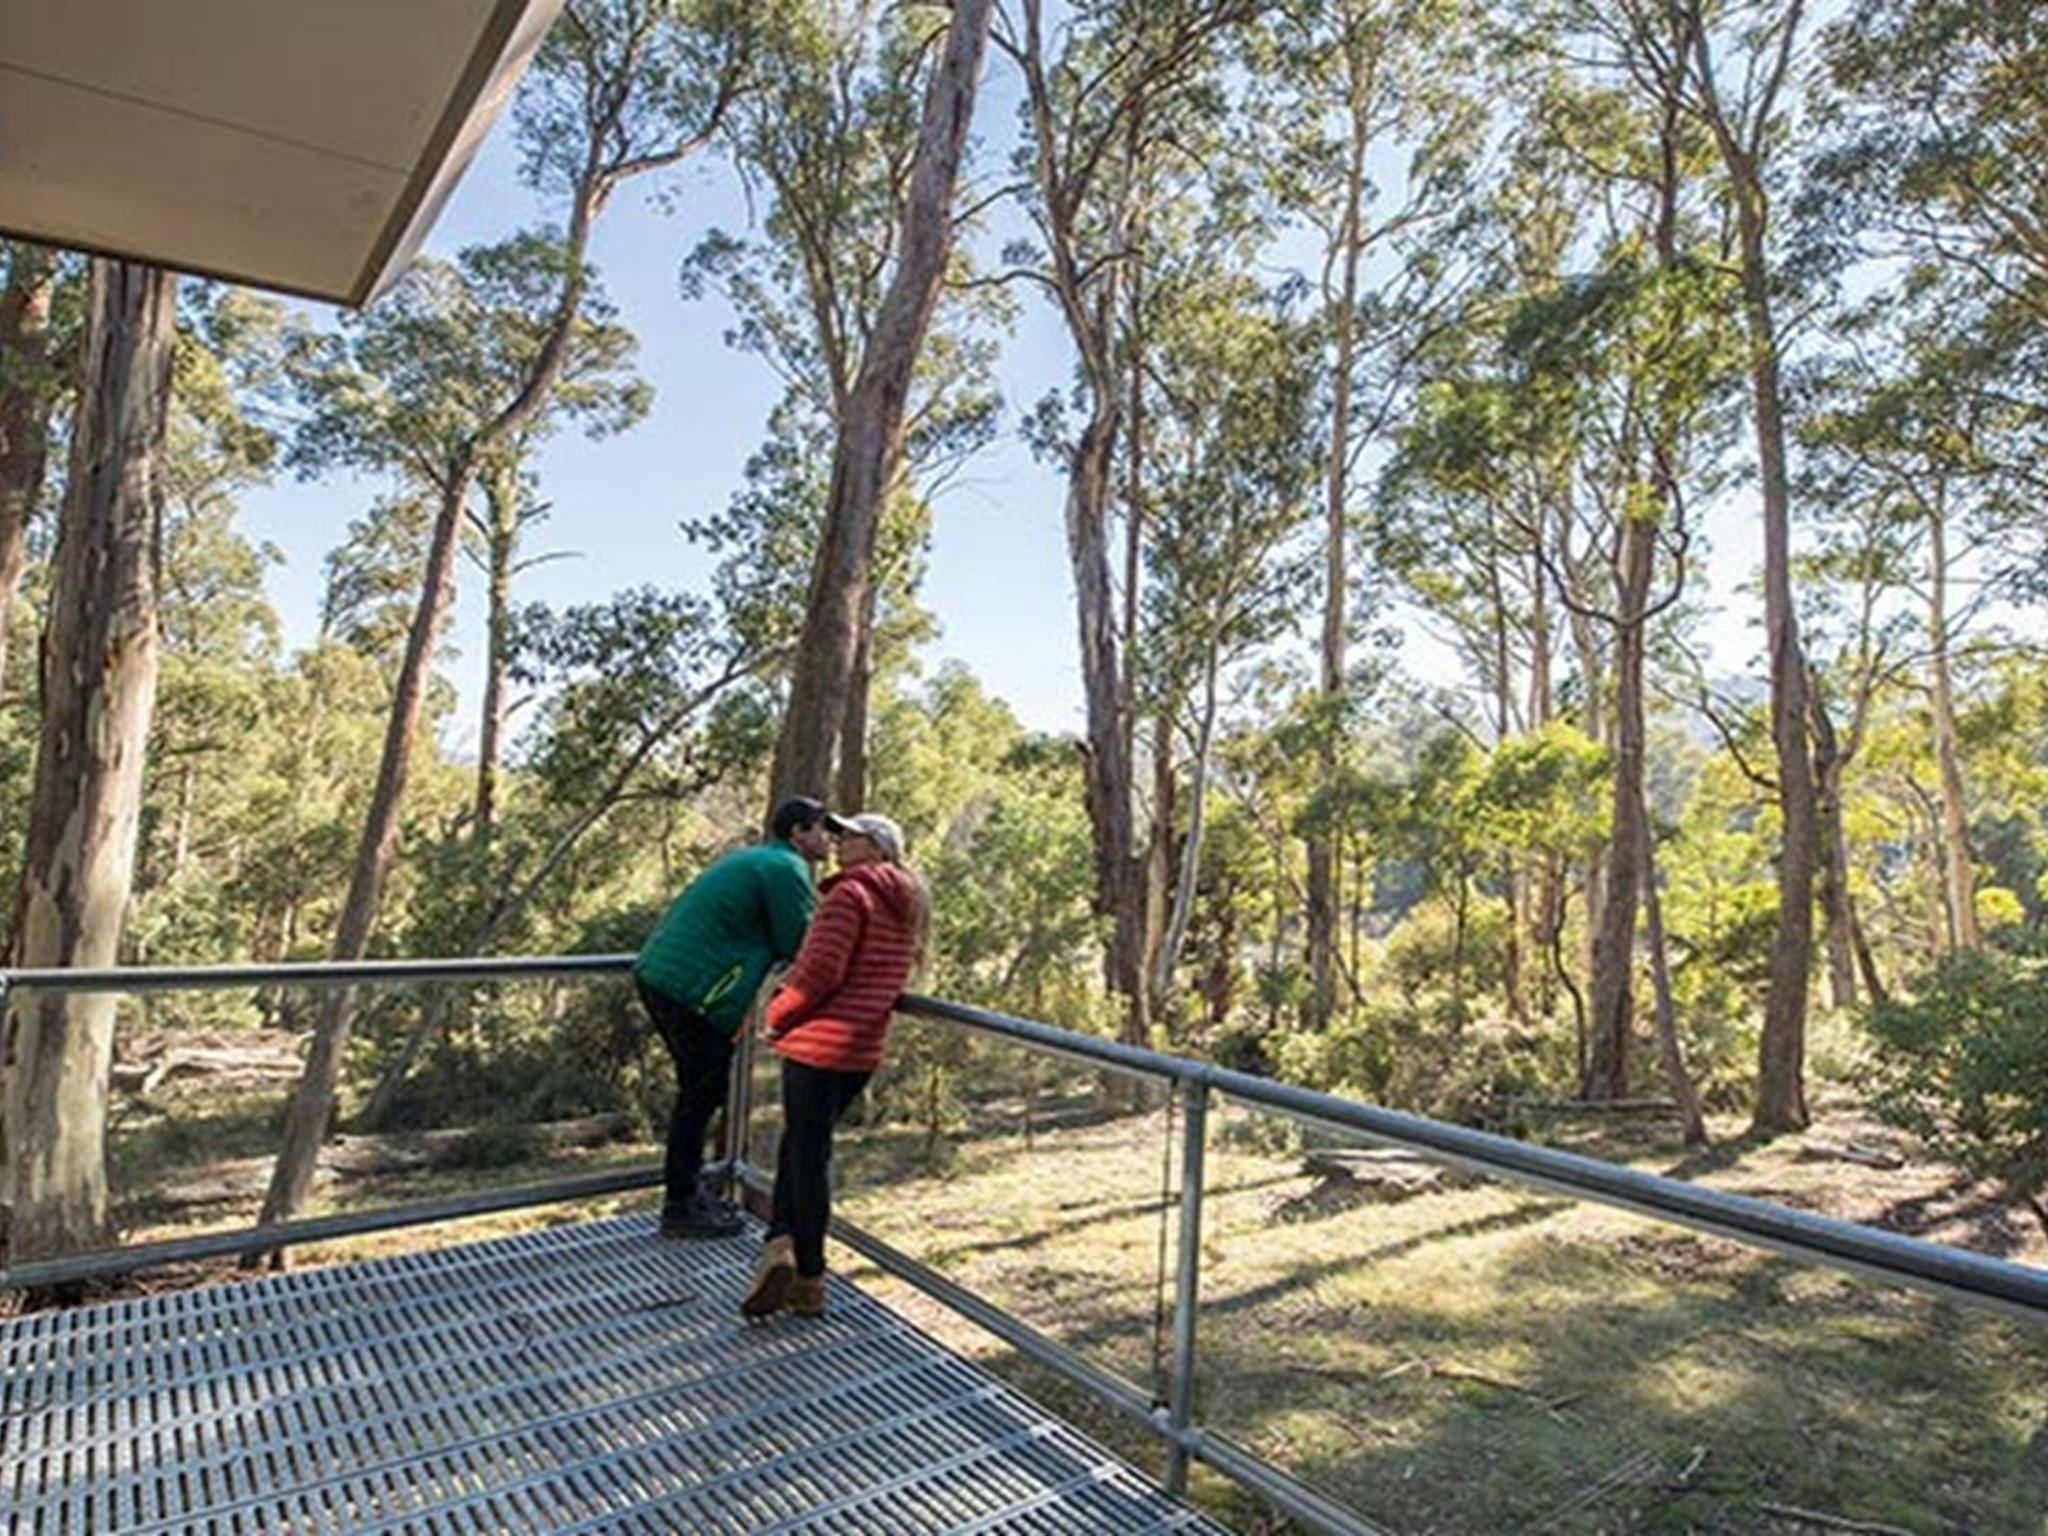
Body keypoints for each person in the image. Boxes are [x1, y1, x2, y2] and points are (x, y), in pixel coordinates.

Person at [740, 810, 926, 1319]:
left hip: (819, 1043)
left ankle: (810, 1274)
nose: (839, 841)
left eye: (850, 835)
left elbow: (820, 971)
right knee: (801, 1145)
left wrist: (776, 1015)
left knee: (808, 1153)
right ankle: (781, 1249)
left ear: (877, 847)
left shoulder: (849, 894)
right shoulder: (906, 901)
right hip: (862, 1047)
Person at [634, 796, 832, 1238]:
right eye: (823, 829)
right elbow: (803, 942)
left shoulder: (762, 859)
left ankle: (688, 1194)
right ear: (798, 833)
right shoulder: (786, 869)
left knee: (700, 1091)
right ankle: (681, 1205)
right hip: (689, 987)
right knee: (701, 1093)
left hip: (664, 976)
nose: (830, 840)